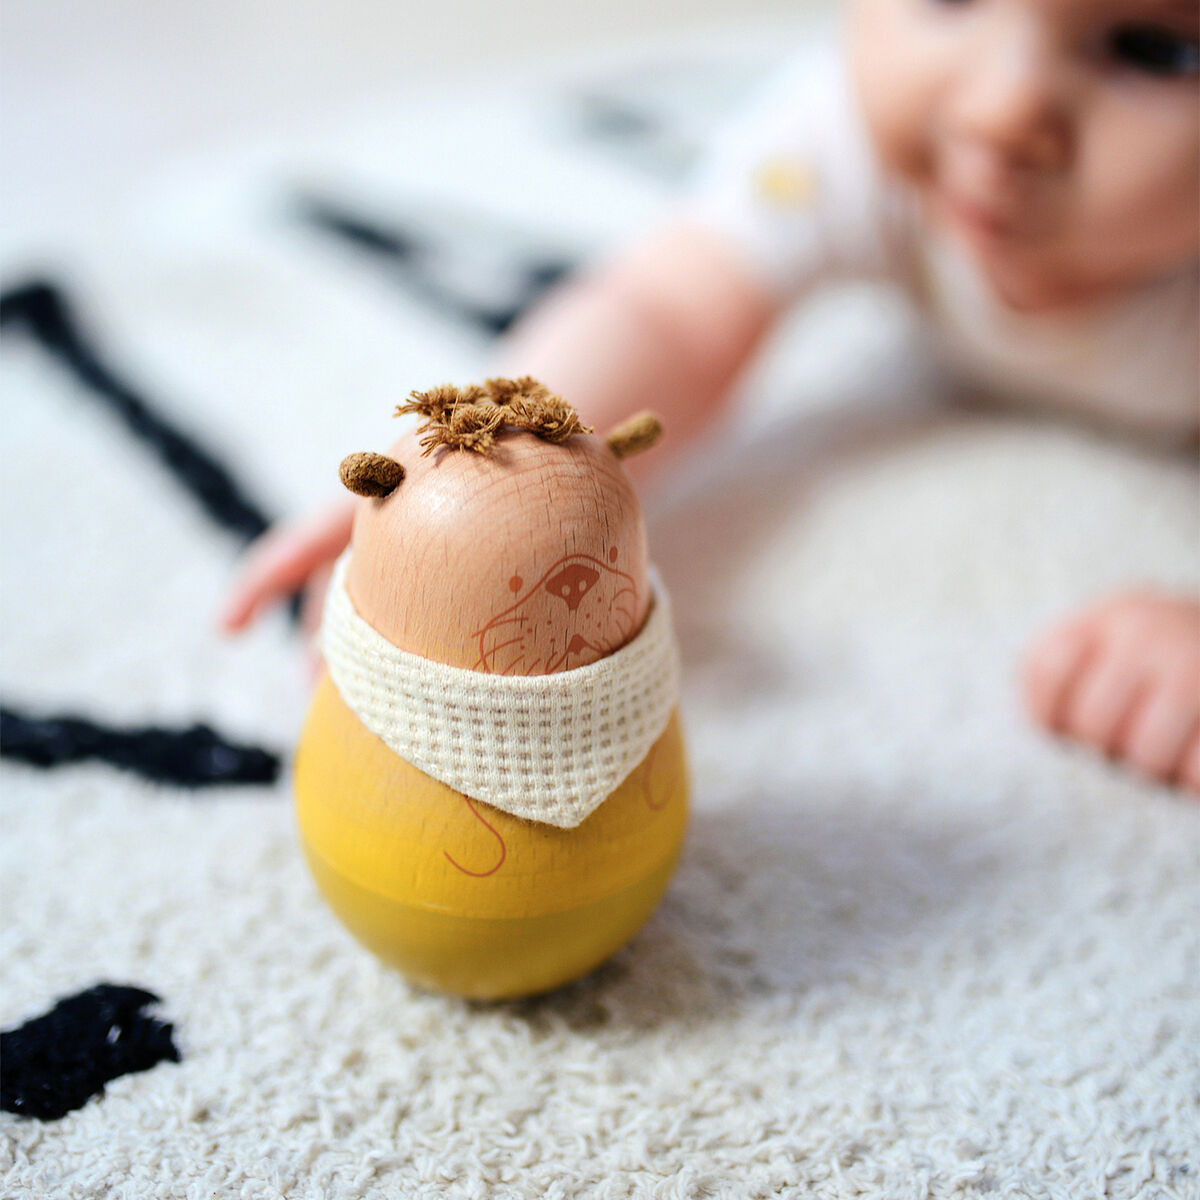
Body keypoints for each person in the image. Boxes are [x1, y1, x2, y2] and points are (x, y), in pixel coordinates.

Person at [220, 0, 1200, 792]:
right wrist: (484, 469)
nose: (1000, 112)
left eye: (1154, 48)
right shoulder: (846, 135)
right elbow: (674, 309)